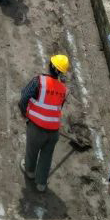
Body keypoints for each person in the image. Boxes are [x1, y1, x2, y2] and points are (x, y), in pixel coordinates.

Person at [19, 54, 70, 192]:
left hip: (37, 127)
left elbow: (24, 98)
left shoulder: (39, 81)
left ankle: (30, 171)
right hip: (53, 131)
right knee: (46, 157)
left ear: (51, 67)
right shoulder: (64, 90)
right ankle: (41, 184)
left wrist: (25, 114)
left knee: (32, 151)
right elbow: (58, 107)